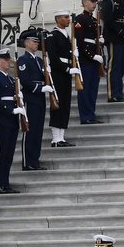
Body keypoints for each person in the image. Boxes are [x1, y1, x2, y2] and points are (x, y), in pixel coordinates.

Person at [0, 48, 26, 194]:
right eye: (5, 59)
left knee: (9, 153)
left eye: (8, 59)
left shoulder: (11, 79)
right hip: (3, 119)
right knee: (1, 153)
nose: (8, 62)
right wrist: (10, 110)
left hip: (12, 120)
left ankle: (5, 183)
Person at [17, 29, 53, 171]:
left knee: (38, 131)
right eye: (34, 41)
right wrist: (39, 88)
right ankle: (27, 162)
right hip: (30, 98)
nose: (37, 44)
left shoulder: (39, 60)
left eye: (38, 42)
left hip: (40, 99)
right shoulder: (22, 60)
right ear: (26, 43)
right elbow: (25, 81)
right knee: (30, 131)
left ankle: (35, 160)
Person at [46, 10, 80, 148]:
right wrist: (67, 68)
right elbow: (53, 58)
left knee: (65, 104)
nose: (68, 20)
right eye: (65, 17)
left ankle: (61, 137)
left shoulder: (67, 35)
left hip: (66, 73)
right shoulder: (53, 35)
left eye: (68, 17)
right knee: (58, 104)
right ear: (57, 19)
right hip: (58, 73)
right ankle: (55, 138)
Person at [100, 0, 124, 103]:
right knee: (113, 66)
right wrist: (122, 33)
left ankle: (118, 93)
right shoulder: (108, 0)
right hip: (114, 38)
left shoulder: (119, 0)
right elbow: (108, 21)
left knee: (121, 66)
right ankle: (112, 93)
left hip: (121, 38)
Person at [74, 0, 105, 125]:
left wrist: (101, 42)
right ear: (84, 2)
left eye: (95, 1)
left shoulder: (94, 20)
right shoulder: (80, 19)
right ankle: (85, 115)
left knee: (93, 88)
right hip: (86, 59)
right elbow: (80, 42)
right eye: (92, 1)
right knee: (85, 88)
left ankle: (91, 113)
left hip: (95, 59)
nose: (94, 4)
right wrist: (92, 56)